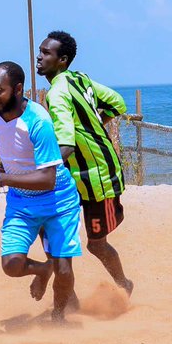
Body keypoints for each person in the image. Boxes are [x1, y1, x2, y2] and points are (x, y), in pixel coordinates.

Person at [0, 61, 84, 322]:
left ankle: (59, 318)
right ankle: (44, 270)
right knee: (11, 265)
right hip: (21, 200)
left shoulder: (39, 121)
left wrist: (0, 178)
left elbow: (47, 178)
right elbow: (14, 152)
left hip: (58, 199)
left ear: (18, 89)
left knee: (64, 267)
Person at [36, 31, 133, 295]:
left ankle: (124, 285)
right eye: (40, 51)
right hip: (75, 176)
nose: (39, 56)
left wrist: (37, 173)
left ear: (62, 60)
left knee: (95, 243)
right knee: (52, 234)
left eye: (46, 53)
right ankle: (69, 300)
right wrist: (94, 124)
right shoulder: (81, 80)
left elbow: (65, 145)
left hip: (97, 176)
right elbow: (117, 102)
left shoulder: (57, 93)